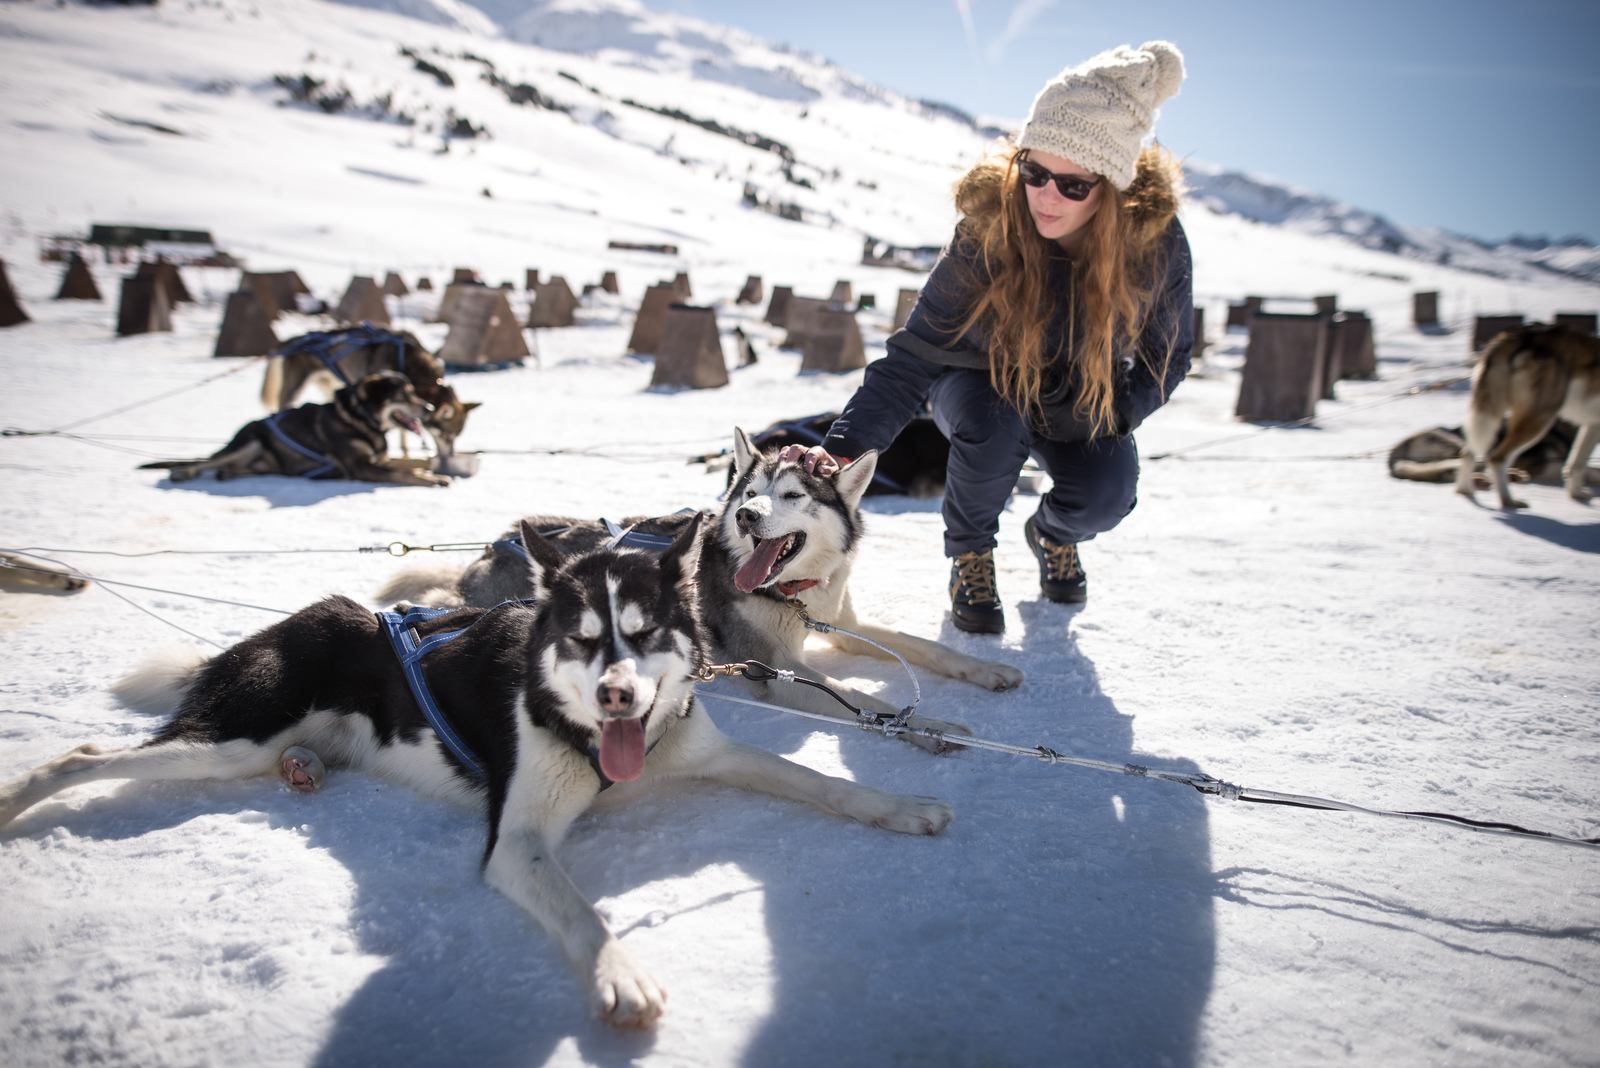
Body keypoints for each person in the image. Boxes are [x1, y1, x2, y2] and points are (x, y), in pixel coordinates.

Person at [783, 41, 1193, 634]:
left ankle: (1053, 533)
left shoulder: (1153, 244)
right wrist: (841, 449)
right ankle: (971, 553)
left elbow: (1167, 354)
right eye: (1034, 172)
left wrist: (1118, 413)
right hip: (976, 379)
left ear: (1111, 187)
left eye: (1073, 185)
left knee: (1108, 491)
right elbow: (914, 354)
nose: (1046, 197)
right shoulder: (990, 228)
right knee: (994, 423)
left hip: (1081, 392)